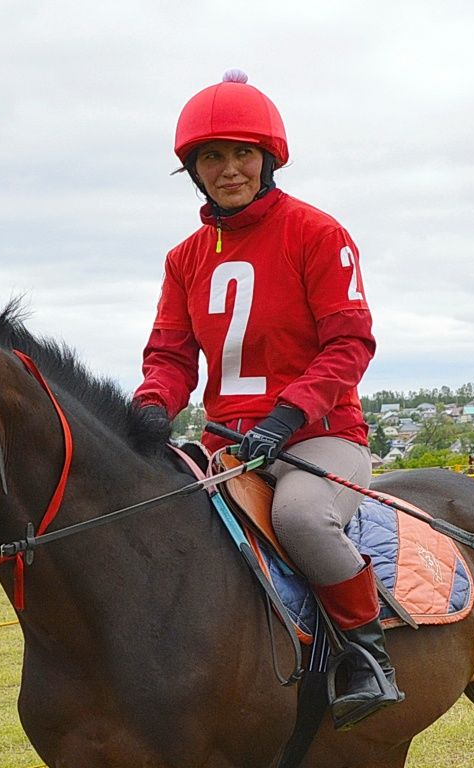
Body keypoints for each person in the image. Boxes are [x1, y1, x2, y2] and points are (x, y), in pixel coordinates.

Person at [134, 70, 401, 729]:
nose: (229, 169)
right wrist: (145, 415)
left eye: (242, 154)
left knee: (305, 520)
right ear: (195, 170)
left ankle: (368, 656)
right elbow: (171, 357)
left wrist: (288, 416)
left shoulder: (316, 233)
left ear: (269, 160)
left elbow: (350, 344)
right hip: (232, 444)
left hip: (319, 436)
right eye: (212, 157)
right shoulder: (184, 259)